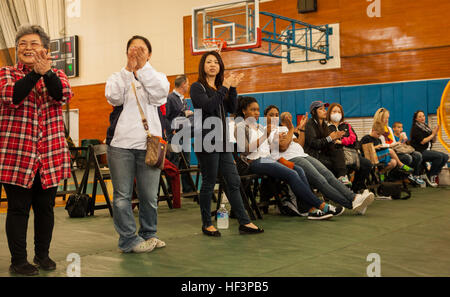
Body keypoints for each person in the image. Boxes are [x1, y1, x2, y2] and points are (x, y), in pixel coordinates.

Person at [0, 25, 73, 276]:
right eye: (22, 44)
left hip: (50, 154)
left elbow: (61, 95)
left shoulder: (58, 74)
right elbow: (13, 96)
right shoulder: (6, 73)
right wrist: (34, 75)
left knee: (46, 207)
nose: (27, 48)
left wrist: (47, 74)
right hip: (16, 155)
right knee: (18, 208)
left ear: (44, 48)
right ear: (17, 49)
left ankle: (42, 255)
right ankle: (18, 261)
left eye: (33, 43)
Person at [105, 35, 169, 253]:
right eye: (132, 49)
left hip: (149, 144)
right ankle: (127, 240)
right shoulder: (117, 77)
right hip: (120, 145)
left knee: (149, 196)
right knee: (122, 196)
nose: (136, 53)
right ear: (126, 53)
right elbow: (113, 98)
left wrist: (142, 70)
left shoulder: (158, 77)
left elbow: (160, 95)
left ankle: (149, 234)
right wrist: (128, 71)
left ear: (149, 54)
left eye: (141, 50)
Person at [190, 51, 263, 236]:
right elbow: (208, 107)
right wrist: (224, 87)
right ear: (203, 66)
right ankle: (207, 224)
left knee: (233, 180)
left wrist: (233, 88)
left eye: (216, 62)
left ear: (220, 66)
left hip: (223, 141)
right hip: (207, 140)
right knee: (208, 183)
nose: (213, 65)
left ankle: (244, 222)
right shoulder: (197, 87)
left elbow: (231, 108)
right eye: (209, 62)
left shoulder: (220, 88)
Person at [235, 97, 343, 220]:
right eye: (253, 110)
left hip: (268, 159)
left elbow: (268, 147)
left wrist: (276, 139)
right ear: (244, 111)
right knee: (291, 174)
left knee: (299, 170)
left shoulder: (259, 126)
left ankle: (307, 209)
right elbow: (245, 150)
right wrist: (266, 135)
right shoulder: (240, 126)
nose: (256, 113)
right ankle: (321, 205)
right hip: (254, 161)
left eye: (258, 110)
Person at [265, 106, 374, 215]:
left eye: (276, 115)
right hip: (290, 158)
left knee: (328, 175)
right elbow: (283, 146)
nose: (274, 117)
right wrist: (291, 131)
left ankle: (354, 198)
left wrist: (301, 129)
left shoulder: (284, 129)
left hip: (302, 154)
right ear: (265, 117)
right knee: (320, 180)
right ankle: (351, 202)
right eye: (271, 115)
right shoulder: (267, 130)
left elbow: (299, 144)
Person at [327, 103, 373, 193]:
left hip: (350, 152)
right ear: (329, 113)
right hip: (335, 155)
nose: (337, 113)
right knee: (341, 165)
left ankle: (356, 188)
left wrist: (342, 141)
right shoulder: (326, 127)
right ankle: (340, 191)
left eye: (339, 112)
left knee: (367, 164)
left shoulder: (347, 125)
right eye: (334, 111)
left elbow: (353, 138)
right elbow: (329, 141)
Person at [304, 101, 351, 186]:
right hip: (313, 155)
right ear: (314, 112)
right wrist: (330, 138)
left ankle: (342, 177)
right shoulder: (309, 124)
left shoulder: (324, 125)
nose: (325, 111)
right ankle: (340, 179)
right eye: (321, 109)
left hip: (322, 153)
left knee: (338, 150)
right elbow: (314, 143)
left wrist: (335, 140)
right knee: (333, 163)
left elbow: (328, 142)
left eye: (324, 109)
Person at [372, 108, 418, 182]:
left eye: (388, 118)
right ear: (380, 118)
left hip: (393, 149)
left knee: (416, 155)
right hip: (385, 152)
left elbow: (393, 142)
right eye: (385, 118)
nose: (387, 120)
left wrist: (399, 142)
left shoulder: (389, 128)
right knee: (408, 158)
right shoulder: (374, 129)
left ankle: (409, 176)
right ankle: (395, 177)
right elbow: (378, 145)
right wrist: (390, 145)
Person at [166, 75, 195, 194]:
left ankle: (188, 189)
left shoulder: (182, 99)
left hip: (184, 134)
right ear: (183, 84)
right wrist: (170, 130)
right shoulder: (170, 98)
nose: (188, 86)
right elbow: (166, 117)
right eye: (187, 84)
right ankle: (172, 190)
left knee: (186, 162)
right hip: (174, 135)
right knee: (174, 163)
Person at [410, 110, 449, 187]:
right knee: (439, 157)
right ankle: (430, 176)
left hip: (427, 150)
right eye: (420, 116)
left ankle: (432, 174)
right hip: (420, 151)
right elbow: (422, 141)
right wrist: (433, 134)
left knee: (445, 156)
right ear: (416, 119)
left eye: (423, 116)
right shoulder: (415, 128)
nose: (422, 118)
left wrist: (435, 134)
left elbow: (433, 141)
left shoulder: (425, 127)